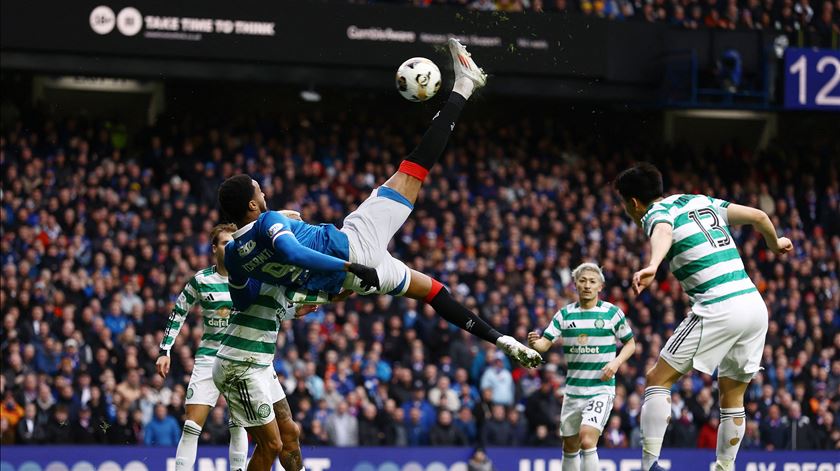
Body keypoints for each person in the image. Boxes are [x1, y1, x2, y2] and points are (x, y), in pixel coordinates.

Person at [217, 38, 540, 368]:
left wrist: (293, 292)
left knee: (433, 292)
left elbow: (245, 297)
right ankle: (465, 84)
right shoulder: (270, 224)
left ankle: (502, 339)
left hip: (353, 281)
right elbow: (290, 253)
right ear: (252, 207)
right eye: (259, 193)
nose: (265, 195)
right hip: (353, 251)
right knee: (414, 168)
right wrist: (345, 264)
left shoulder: (233, 256)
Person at [613, 162, 793, 471]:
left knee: (658, 380)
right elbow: (760, 216)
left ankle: (648, 466)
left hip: (718, 305)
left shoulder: (652, 214)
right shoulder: (697, 200)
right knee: (732, 395)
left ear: (633, 202)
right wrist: (774, 243)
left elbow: (663, 231)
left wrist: (654, 264)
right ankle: (725, 467)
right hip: (754, 305)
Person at [155, 223, 249, 471]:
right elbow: (178, 312)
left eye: (234, 243)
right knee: (191, 426)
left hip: (239, 359)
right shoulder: (201, 280)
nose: (231, 248)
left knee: (239, 424)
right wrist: (165, 351)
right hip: (209, 359)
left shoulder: (249, 278)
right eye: (225, 243)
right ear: (214, 248)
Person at [528, 263, 636, 471]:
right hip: (573, 391)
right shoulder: (564, 315)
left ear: (600, 287)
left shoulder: (611, 313)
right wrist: (535, 343)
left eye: (592, 281)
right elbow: (544, 344)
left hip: (600, 390)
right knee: (570, 445)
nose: (587, 285)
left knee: (587, 439)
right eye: (583, 280)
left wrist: (615, 363)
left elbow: (631, 344)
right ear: (575, 284)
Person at [212, 275, 315, 471]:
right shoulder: (256, 271)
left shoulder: (282, 273)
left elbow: (269, 308)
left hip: (262, 365)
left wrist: (295, 311)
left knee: (290, 432)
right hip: (240, 366)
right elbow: (248, 301)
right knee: (271, 445)